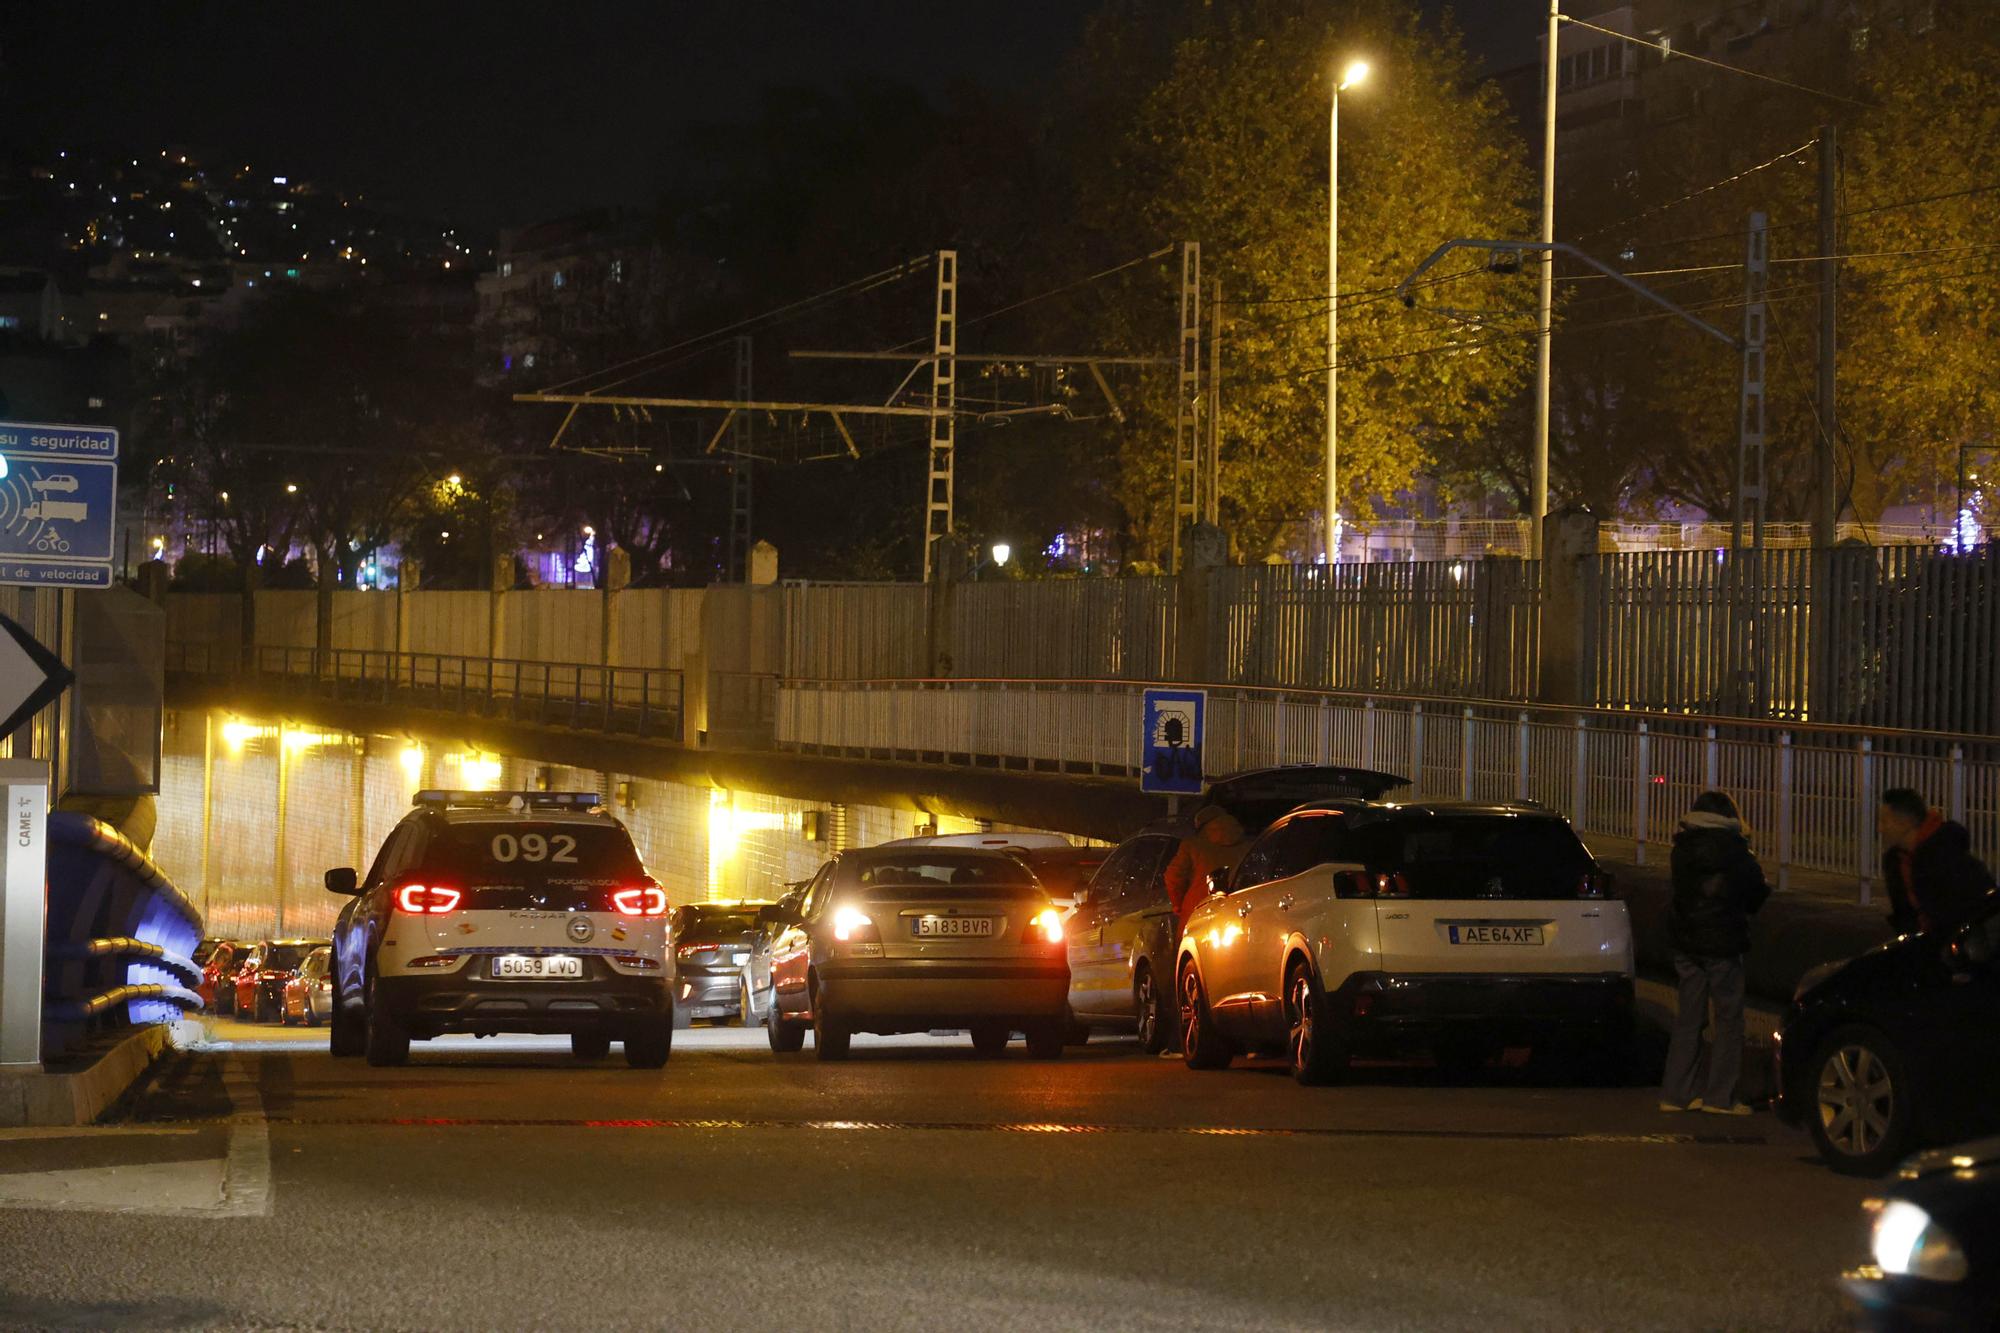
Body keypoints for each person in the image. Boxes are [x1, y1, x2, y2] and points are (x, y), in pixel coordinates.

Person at [1660, 790, 1771, 1117]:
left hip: (1686, 941)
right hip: (1723, 943)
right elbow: (1755, 893)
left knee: (1688, 1018)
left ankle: (1676, 1093)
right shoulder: (1735, 850)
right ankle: (1719, 1097)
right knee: (1728, 1020)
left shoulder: (1682, 847)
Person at [1877, 787, 1996, 936]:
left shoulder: (1946, 854)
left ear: (1905, 823)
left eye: (1885, 821)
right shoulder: (1895, 861)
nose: (1880, 829)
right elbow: (1904, 915)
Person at [1161, 806, 1248, 929]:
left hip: (1198, 910)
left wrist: (1177, 904)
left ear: (1201, 827)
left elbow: (1173, 877)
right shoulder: (1248, 846)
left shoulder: (1192, 845)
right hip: (1238, 909)